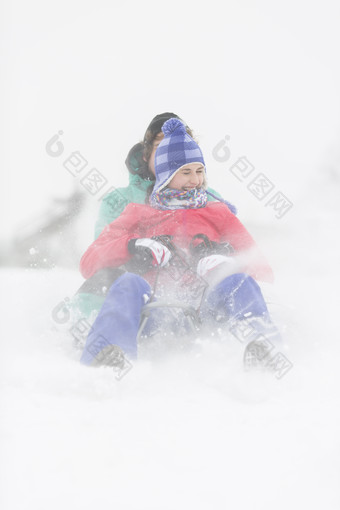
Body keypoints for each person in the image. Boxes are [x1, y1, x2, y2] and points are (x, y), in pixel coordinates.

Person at [78, 118, 280, 368]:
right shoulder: (137, 213)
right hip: (154, 313)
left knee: (239, 283)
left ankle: (264, 355)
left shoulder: (217, 212)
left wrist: (227, 261)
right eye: (185, 172)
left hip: (206, 311)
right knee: (128, 283)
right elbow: (89, 261)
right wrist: (133, 246)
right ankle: (107, 358)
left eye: (199, 171)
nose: (195, 180)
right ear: (164, 175)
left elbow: (261, 270)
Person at [71, 112, 236, 324]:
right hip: (136, 290)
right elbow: (98, 258)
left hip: (196, 295)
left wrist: (219, 252)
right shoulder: (121, 201)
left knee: (236, 284)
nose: (170, 156)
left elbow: (241, 251)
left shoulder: (208, 201)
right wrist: (132, 250)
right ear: (146, 154)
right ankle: (90, 334)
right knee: (105, 280)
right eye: (162, 148)